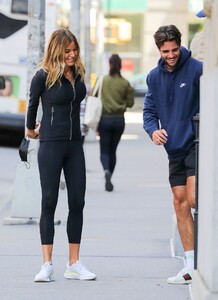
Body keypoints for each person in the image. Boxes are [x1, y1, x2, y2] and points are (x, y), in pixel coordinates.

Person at [26, 28, 96, 282]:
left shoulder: (77, 73)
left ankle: (74, 263)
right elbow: (32, 104)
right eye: (67, 51)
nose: (72, 54)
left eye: (74, 50)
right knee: (49, 201)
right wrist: (31, 129)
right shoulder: (42, 76)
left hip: (74, 144)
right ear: (57, 50)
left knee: (78, 202)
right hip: (51, 144)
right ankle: (46, 264)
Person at [143, 25, 202, 284]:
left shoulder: (197, 69)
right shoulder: (154, 77)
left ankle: (207, 258)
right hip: (173, 149)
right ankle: (191, 265)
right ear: (159, 50)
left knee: (194, 198)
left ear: (181, 45)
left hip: (196, 143)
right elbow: (148, 112)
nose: (171, 55)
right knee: (179, 203)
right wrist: (153, 131)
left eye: (175, 49)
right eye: (166, 51)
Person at [98, 54, 134, 192]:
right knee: (113, 151)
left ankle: (106, 170)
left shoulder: (103, 81)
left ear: (110, 64)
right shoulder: (125, 83)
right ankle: (110, 175)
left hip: (104, 120)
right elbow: (130, 103)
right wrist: (121, 103)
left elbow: (95, 98)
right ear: (120, 65)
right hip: (119, 120)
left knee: (104, 151)